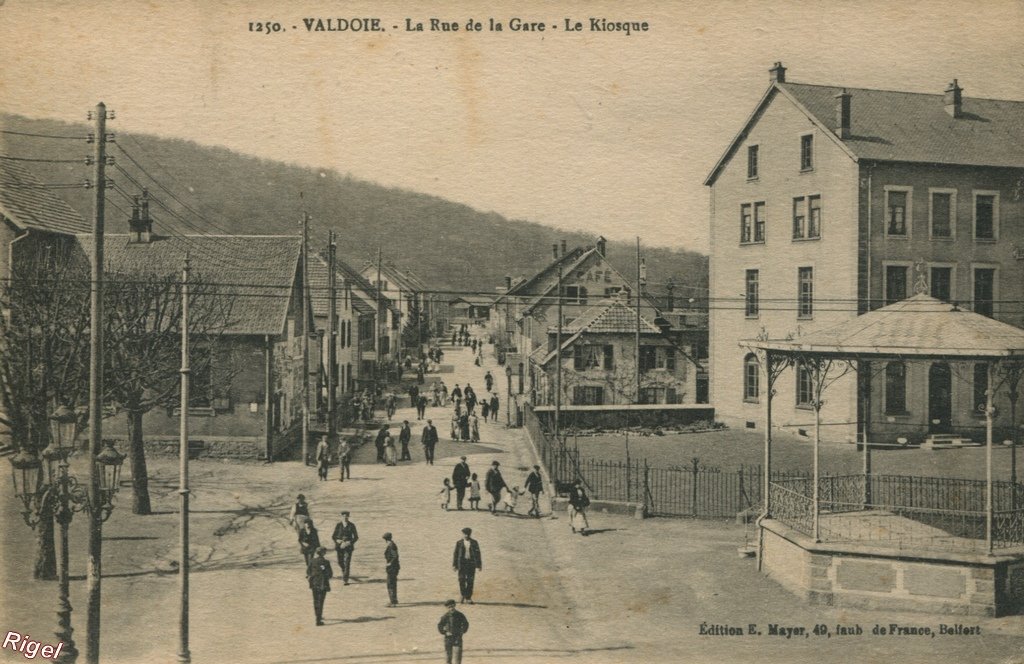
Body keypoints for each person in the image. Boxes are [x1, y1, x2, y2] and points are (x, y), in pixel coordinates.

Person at [452, 527, 482, 604]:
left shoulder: (474, 542)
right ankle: (462, 595)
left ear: (470, 534)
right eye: (464, 534)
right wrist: (454, 565)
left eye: (467, 534)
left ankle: (468, 597)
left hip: (471, 563)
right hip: (462, 564)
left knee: (470, 580)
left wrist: (479, 565)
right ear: (462, 534)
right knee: (461, 579)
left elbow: (478, 554)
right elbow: (455, 554)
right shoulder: (459, 543)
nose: (466, 535)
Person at [306, 547, 333, 626]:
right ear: (323, 553)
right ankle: (318, 619)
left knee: (315, 600)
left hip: (314, 583)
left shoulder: (312, 561)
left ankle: (317, 616)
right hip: (323, 583)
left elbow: (308, 571)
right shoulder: (326, 562)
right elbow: (330, 574)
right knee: (321, 601)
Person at [438, 599, 469, 664]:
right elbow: (440, 625)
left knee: (458, 657)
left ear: (455, 605)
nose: (451, 608)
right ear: (447, 608)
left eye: (452, 606)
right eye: (449, 607)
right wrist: (445, 632)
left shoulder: (460, 615)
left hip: (457, 637)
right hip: (448, 638)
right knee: (448, 657)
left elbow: (466, 623)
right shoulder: (445, 616)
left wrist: (462, 631)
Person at [332, 511, 359, 584]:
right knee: (340, 562)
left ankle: (345, 579)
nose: (345, 517)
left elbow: (356, 537)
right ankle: (345, 572)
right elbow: (333, 536)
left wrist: (349, 542)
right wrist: (338, 541)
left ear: (348, 517)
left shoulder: (352, 525)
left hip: (348, 547)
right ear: (341, 517)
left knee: (347, 562)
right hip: (339, 547)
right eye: (343, 516)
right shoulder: (338, 525)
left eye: (346, 516)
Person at [383, 532, 400, 607]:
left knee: (390, 584)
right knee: (392, 583)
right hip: (393, 567)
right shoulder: (391, 545)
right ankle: (394, 600)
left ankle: (393, 602)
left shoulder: (391, 545)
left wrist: (390, 563)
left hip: (392, 568)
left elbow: (395, 556)